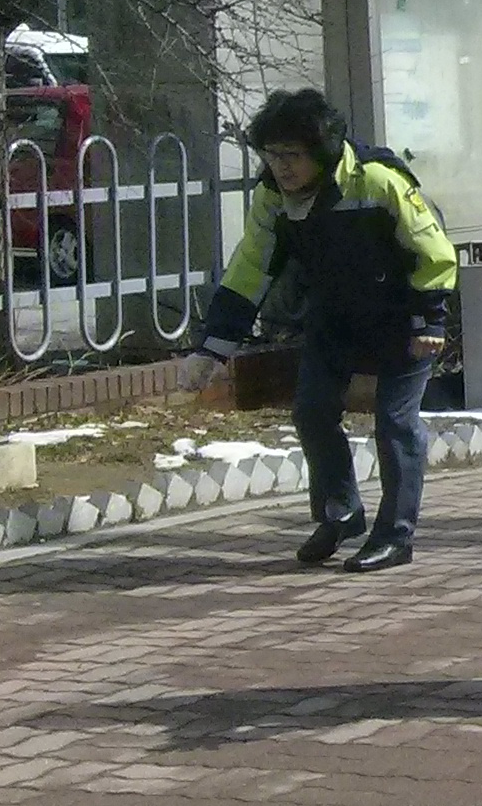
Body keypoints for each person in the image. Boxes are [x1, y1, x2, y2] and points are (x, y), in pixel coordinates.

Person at [182, 90, 455, 572]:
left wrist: (430, 319)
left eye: (292, 155)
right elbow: (250, 268)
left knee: (395, 422)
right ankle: (340, 512)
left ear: (321, 151)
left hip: (404, 318)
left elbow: (432, 251)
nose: (281, 167)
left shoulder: (376, 180)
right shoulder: (272, 197)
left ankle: (395, 536)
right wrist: (212, 348)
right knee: (311, 411)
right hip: (334, 318)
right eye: (271, 154)